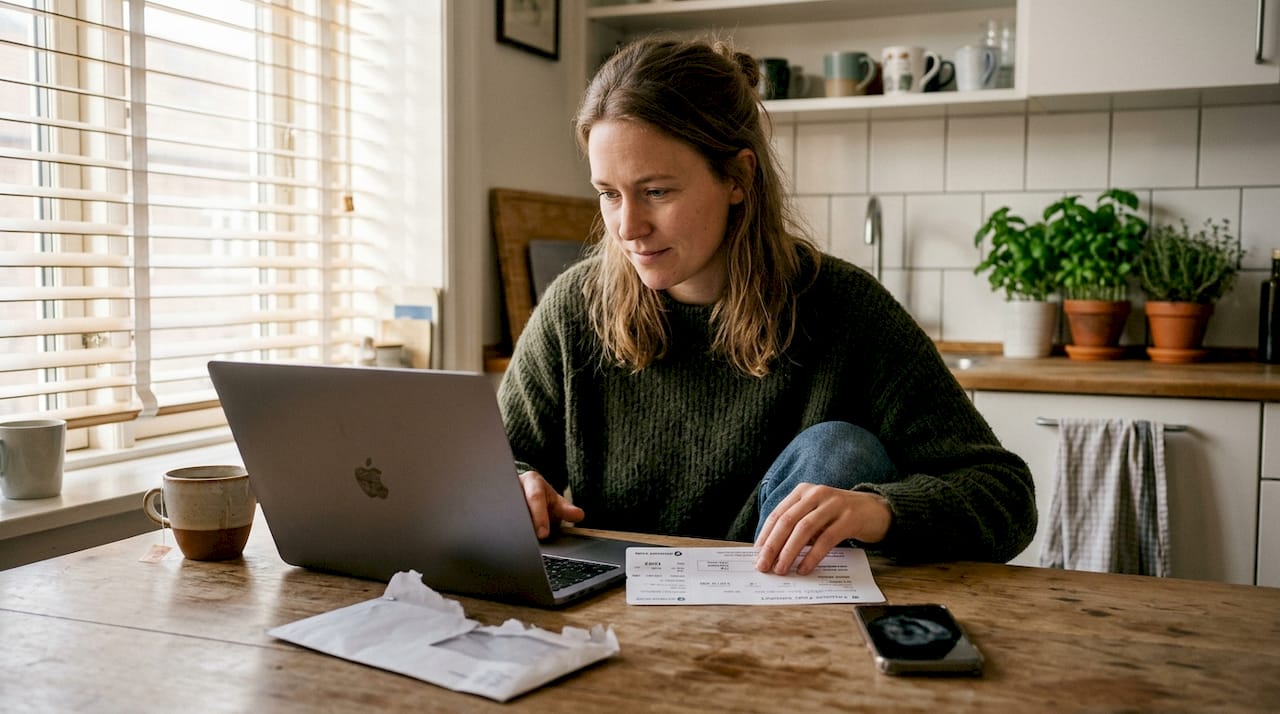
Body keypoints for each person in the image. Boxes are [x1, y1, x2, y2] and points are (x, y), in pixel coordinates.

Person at [498, 36, 1035, 576]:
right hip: (622, 610)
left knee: (839, 449)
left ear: (739, 177)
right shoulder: (575, 308)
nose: (628, 228)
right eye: (609, 194)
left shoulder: (845, 308)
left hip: (779, 622)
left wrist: (880, 510)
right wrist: (518, 485)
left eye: (657, 191)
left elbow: (1005, 497)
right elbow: (490, 467)